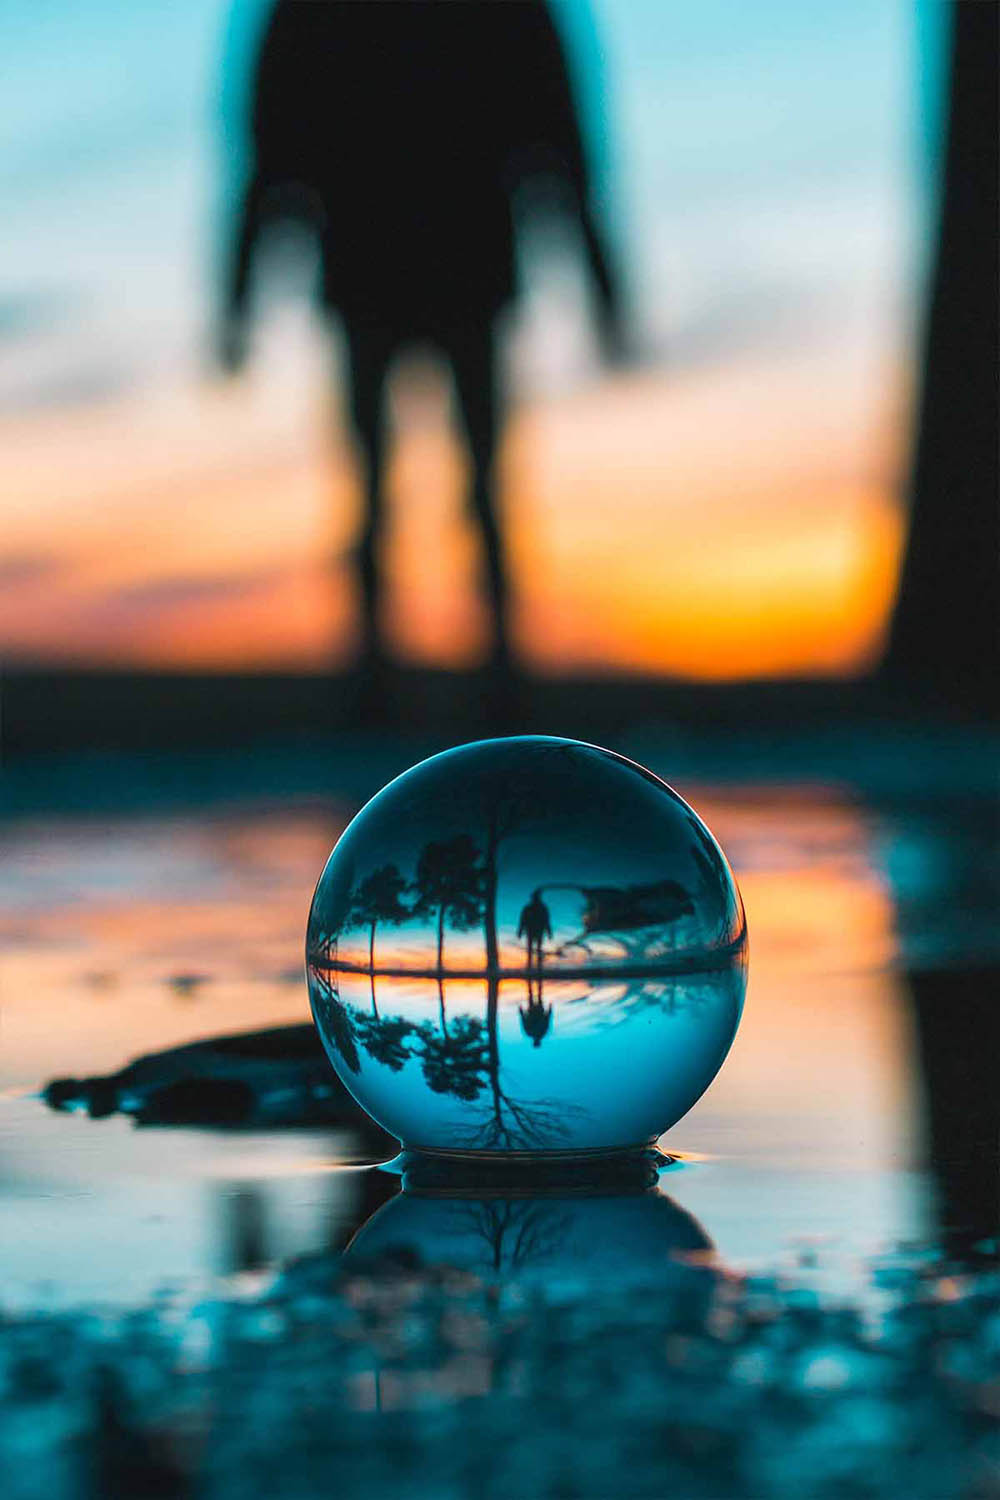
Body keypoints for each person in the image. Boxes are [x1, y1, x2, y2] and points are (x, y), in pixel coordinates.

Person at [219, 0, 622, 670]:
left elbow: (557, 135)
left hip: (436, 273)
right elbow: (272, 144)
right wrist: (238, 299)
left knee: (470, 498)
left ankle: (481, 685)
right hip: (395, 275)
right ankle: (400, 684)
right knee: (397, 500)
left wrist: (604, 285)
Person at [517, 888, 552, 968]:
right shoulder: (529, 908)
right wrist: (520, 931)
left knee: (537, 949)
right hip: (531, 931)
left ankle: (538, 967)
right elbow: (523, 920)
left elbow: (546, 921)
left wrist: (549, 932)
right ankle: (530, 967)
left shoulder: (542, 908)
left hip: (538, 931)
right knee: (531, 950)